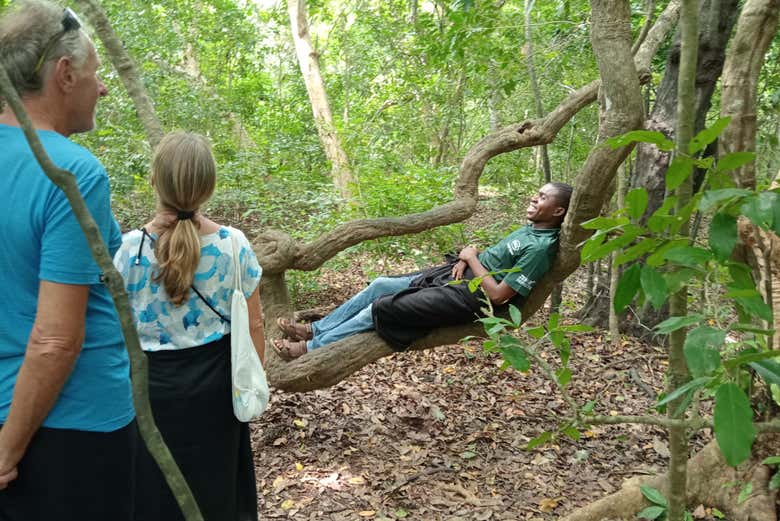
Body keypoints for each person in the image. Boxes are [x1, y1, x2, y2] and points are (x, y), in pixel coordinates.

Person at [0, 2, 136, 520]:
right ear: (64, 73)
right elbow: (56, 339)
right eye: (96, 73)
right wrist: (9, 450)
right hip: (72, 431)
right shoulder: (71, 171)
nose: (101, 87)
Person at [113, 131, 264, 521]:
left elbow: (114, 333)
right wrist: (248, 386)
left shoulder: (129, 249)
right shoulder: (235, 244)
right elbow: (255, 327)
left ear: (153, 182)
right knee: (218, 492)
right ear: (209, 187)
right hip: (216, 394)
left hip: (150, 393)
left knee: (154, 493)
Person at [274, 182, 573, 357]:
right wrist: (466, 257)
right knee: (380, 284)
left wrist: (470, 258)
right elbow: (499, 257)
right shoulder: (530, 231)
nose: (535, 198)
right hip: (458, 276)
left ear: (558, 211)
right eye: (537, 193)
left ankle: (311, 347)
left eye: (543, 197)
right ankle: (316, 327)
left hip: (473, 298)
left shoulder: (540, 249)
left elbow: (499, 296)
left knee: (383, 307)